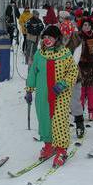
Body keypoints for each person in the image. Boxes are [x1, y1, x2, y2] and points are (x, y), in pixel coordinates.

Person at [25, 25, 78, 167]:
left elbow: (73, 72)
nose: (47, 40)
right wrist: (29, 90)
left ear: (57, 39)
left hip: (59, 94)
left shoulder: (65, 54)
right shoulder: (39, 54)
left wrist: (64, 83)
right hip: (43, 93)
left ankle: (61, 149)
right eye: (45, 37)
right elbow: (33, 72)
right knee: (44, 119)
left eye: (50, 37)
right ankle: (49, 144)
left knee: (59, 120)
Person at [66, 31, 85, 138]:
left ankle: (79, 123)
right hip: (58, 77)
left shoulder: (76, 42)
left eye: (68, 33)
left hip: (74, 76)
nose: (65, 35)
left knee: (74, 101)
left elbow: (75, 60)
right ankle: (61, 126)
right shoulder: (56, 41)